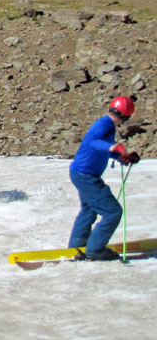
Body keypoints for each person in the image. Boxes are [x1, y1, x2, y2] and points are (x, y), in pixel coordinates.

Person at [68, 96, 142, 261]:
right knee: (113, 211)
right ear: (126, 117)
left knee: (89, 209)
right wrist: (113, 146)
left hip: (81, 174)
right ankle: (95, 250)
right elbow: (95, 142)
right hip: (86, 176)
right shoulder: (104, 125)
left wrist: (121, 156)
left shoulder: (106, 125)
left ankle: (77, 247)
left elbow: (102, 149)